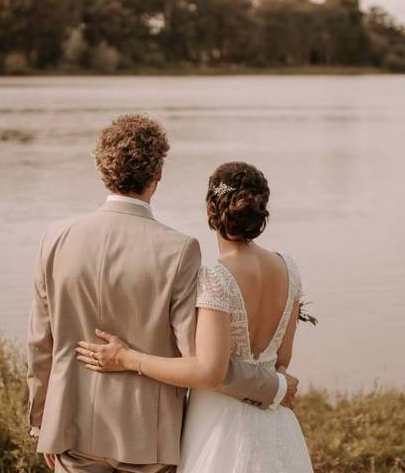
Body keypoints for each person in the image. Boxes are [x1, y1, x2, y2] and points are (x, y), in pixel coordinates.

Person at [26, 115, 299, 472]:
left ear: (101, 170)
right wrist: (273, 385)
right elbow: (202, 360)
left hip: (71, 427)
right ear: (158, 175)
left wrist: (42, 421)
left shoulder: (55, 237)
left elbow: (39, 342)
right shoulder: (179, 250)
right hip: (147, 436)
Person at [76, 160, 313, 472]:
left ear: (209, 210)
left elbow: (208, 372)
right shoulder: (289, 268)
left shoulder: (216, 277)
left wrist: (128, 358)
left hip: (219, 425)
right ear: (261, 211)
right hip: (275, 424)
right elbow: (282, 359)